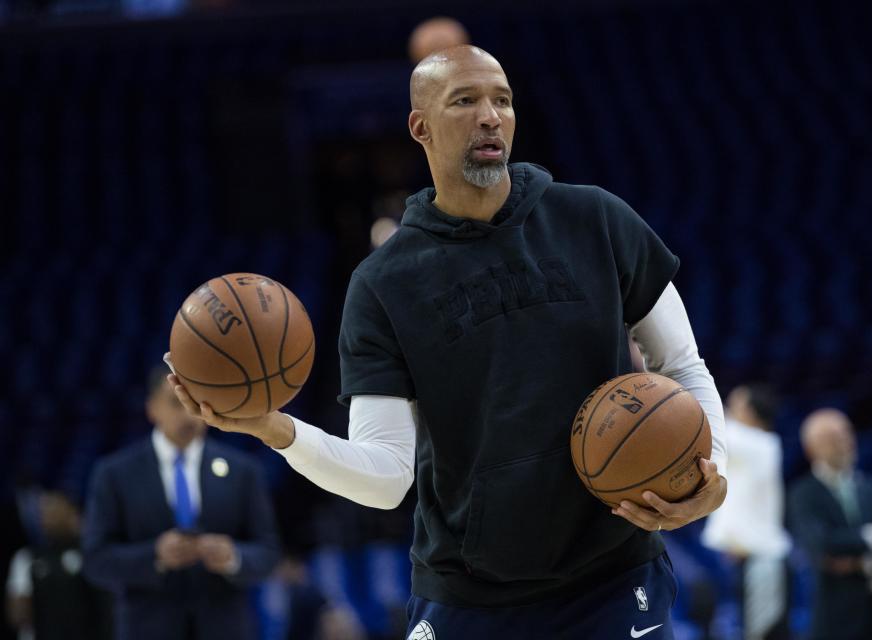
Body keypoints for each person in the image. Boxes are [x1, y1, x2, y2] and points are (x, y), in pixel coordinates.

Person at [168, 45, 727, 639]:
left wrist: (708, 470)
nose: (490, 116)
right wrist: (271, 428)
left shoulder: (597, 220)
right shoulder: (382, 285)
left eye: (502, 101)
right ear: (421, 126)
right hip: (468, 596)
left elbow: (683, 367)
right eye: (465, 101)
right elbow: (386, 479)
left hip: (612, 579)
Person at [82, 368, 281, 640]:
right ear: (152, 409)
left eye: (197, 404)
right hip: (147, 628)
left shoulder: (244, 471)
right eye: (177, 403)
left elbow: (268, 552)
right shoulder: (114, 473)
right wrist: (156, 556)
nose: (189, 414)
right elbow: (96, 560)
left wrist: (233, 557)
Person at [788, 409, 872, 640]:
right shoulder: (803, 493)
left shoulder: (871, 487)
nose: (844, 441)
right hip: (834, 619)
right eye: (833, 437)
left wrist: (860, 561)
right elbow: (822, 544)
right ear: (811, 448)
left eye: (846, 433)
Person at [702, 385, 790, 640]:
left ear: (752, 413)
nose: (728, 411)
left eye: (735, 406)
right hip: (741, 559)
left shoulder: (760, 443)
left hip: (761, 561)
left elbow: (708, 425)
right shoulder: (752, 444)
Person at [5, 490, 111, 640]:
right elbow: (17, 617)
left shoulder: (92, 556)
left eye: (54, 510)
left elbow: (106, 610)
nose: (47, 518)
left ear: (74, 514)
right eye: (44, 512)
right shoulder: (27, 558)